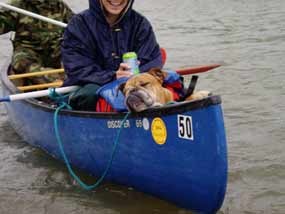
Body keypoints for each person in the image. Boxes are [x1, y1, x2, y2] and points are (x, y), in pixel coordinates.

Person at [61, 0, 163, 111]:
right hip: (90, 85)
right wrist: (113, 76)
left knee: (167, 83)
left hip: (131, 84)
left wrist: (133, 76)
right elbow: (77, 68)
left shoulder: (140, 23)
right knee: (88, 95)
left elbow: (152, 59)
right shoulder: (79, 25)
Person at [0, 0, 73, 83]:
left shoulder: (58, 5)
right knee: (21, 62)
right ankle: (53, 80)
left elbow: (76, 26)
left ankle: (71, 78)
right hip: (29, 50)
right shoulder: (16, 6)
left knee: (76, 53)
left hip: (56, 49)